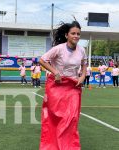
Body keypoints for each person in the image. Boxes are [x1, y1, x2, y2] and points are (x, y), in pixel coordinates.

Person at [39, 21, 87, 150]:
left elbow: (84, 65)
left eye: (78, 34)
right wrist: (55, 72)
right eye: (73, 33)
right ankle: (53, 145)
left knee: (71, 118)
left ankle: (69, 146)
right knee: (56, 118)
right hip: (57, 86)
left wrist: (82, 77)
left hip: (73, 86)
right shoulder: (59, 48)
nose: (76, 36)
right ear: (66, 35)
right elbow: (42, 60)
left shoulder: (82, 50)